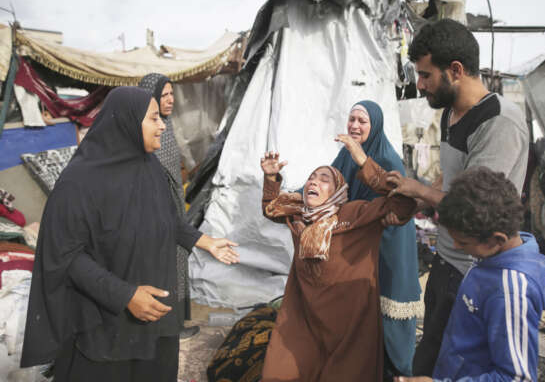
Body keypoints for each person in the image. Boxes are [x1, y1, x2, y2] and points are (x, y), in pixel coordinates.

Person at [20, 87, 239, 382]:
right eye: (153, 119)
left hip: (155, 318)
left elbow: (167, 221)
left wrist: (204, 241)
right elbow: (66, 256)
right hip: (105, 323)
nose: (163, 125)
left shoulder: (149, 170)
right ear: (125, 122)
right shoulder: (80, 183)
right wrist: (125, 295)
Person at [386, 18, 530, 376]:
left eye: (425, 75)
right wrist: (419, 201)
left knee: (453, 366)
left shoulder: (499, 123)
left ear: (455, 70)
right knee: (432, 358)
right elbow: (451, 178)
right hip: (447, 259)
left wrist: (419, 189)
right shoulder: (452, 112)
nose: (419, 86)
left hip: (474, 271)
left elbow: (475, 206)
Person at [259, 142, 417, 382]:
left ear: (338, 191)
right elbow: (271, 208)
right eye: (311, 178)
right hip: (305, 315)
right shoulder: (299, 213)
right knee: (283, 371)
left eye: (324, 179)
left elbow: (404, 204)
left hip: (349, 325)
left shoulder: (354, 214)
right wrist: (271, 177)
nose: (313, 182)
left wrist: (365, 164)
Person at [395, 166, 545, 382]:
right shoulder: (494, 256)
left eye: (463, 242)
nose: (457, 246)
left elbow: (517, 378)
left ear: (496, 240)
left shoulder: (509, 293)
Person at [330, 100, 421, 378]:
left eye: (362, 121)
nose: (355, 126)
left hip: (388, 246)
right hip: (361, 245)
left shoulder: (388, 159)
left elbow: (400, 203)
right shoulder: (346, 155)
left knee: (388, 317)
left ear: (375, 126)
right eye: (352, 119)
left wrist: (362, 159)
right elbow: (327, 181)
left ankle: (397, 372)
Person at [138, 73, 197, 339]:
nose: (171, 100)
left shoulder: (167, 126)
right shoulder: (146, 130)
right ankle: (167, 327)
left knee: (178, 260)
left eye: (172, 94)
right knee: (164, 265)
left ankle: (176, 323)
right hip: (158, 211)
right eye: (164, 95)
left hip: (175, 207)